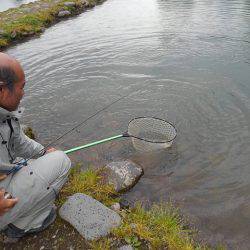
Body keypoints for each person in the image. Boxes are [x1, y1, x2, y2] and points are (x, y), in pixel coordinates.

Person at [0, 52, 71, 242]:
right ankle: (24, 224)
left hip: (5, 176)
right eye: (21, 87)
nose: (23, 93)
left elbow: (20, 142)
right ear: (2, 90)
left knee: (36, 160)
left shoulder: (6, 113)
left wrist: (43, 152)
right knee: (62, 161)